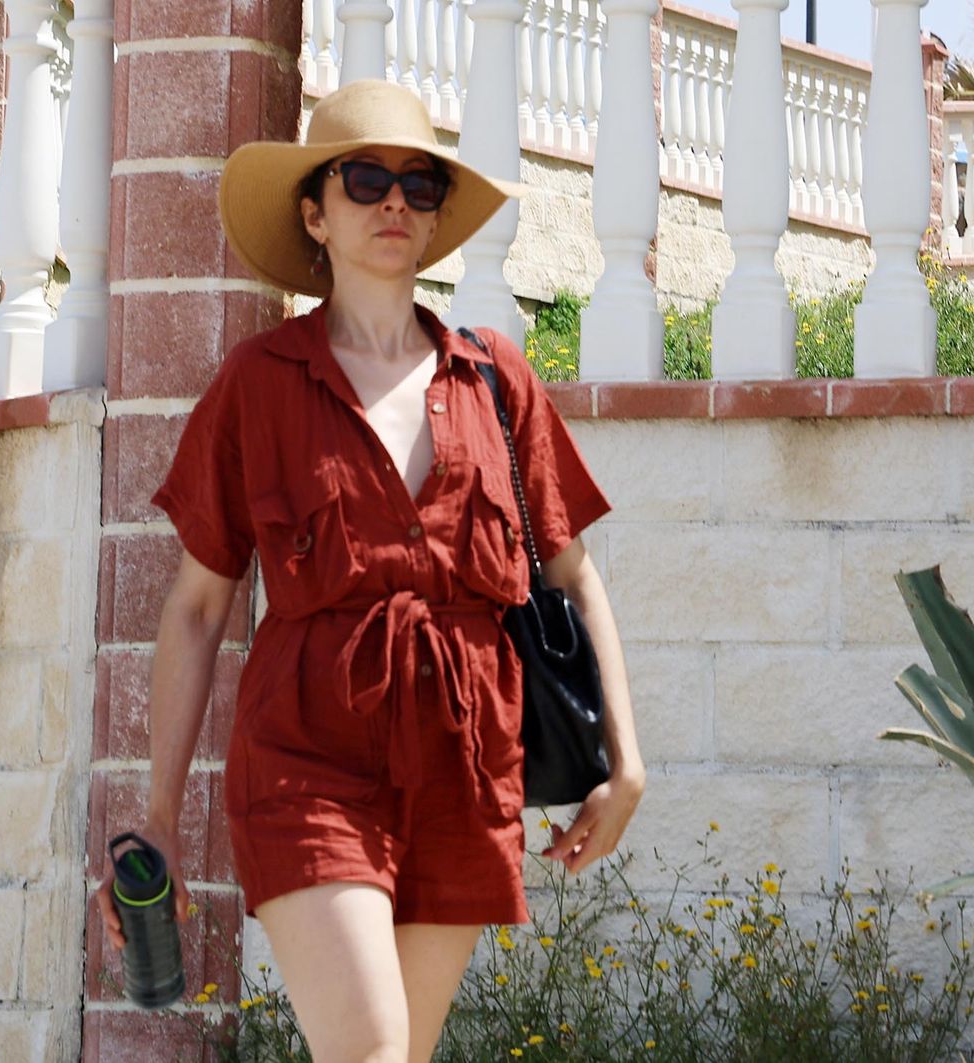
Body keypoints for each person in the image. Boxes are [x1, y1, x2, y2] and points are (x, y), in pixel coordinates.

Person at [94, 79, 644, 1063]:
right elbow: (194, 610)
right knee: (371, 1050)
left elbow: (570, 573)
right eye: (365, 179)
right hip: (309, 759)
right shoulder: (257, 383)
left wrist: (623, 758)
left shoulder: (494, 377)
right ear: (315, 211)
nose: (395, 202)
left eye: (418, 185)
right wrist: (159, 814)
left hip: (465, 764)